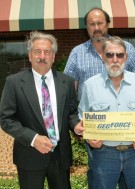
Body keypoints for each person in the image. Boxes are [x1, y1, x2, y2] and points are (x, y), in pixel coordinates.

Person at [63, 7, 135, 189]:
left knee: (129, 182)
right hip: (96, 131)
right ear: (86, 27)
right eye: (92, 24)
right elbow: (68, 89)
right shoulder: (77, 52)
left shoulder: (126, 48)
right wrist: (75, 121)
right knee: (99, 179)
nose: (96, 27)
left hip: (127, 133)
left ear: (107, 24)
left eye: (100, 23)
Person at [0, 31, 83, 189]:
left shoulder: (67, 82)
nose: (42, 56)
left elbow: (71, 113)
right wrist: (33, 138)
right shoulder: (14, 83)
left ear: (53, 56)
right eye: (37, 52)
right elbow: (6, 120)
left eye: (47, 52)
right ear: (30, 56)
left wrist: (76, 126)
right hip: (29, 155)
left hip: (60, 157)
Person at [78, 36, 135, 189]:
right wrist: (90, 136)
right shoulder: (90, 85)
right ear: (103, 57)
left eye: (119, 55)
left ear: (126, 57)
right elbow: (82, 117)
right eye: (110, 55)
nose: (115, 59)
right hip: (104, 155)